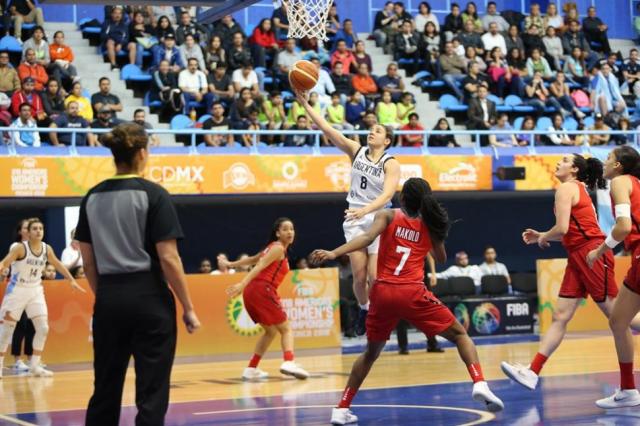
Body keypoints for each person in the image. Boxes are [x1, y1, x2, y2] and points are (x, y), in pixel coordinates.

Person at [311, 177, 504, 425]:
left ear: (403, 199)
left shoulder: (388, 215)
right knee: (460, 336)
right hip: (412, 292)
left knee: (370, 353)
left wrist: (334, 253)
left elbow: (367, 239)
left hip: (382, 292)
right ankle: (479, 382)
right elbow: (442, 257)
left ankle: (341, 408)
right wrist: (436, 232)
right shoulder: (428, 225)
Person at [76, 123, 201, 425]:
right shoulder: (154, 195)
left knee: (105, 386)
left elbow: (89, 263)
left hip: (108, 298)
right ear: (142, 154)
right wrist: (188, 307)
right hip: (149, 299)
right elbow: (169, 258)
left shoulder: (92, 196)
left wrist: (106, 296)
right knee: (152, 391)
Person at [501, 154, 640, 391]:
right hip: (578, 255)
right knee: (560, 316)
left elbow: (563, 228)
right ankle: (533, 372)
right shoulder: (577, 188)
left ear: (574, 169)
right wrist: (543, 235)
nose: (558, 162)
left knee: (619, 317)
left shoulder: (567, 187)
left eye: (564, 160)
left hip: (592, 255)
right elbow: (571, 232)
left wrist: (544, 236)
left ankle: (628, 387)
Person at [297, 88, 401, 337]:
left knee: (375, 277)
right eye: (371, 128)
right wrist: (306, 105)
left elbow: (388, 196)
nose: (371, 131)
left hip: (376, 217)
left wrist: (365, 209)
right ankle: (364, 310)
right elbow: (327, 128)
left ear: (386, 140)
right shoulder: (356, 150)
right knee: (359, 275)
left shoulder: (391, 162)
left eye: (377, 130)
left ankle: (378, 315)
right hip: (354, 219)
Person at [223, 218, 309, 381]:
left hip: (253, 292)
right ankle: (289, 362)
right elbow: (259, 265)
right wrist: (242, 282)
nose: (289, 232)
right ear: (277, 233)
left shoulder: (271, 248)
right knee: (286, 329)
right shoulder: (277, 248)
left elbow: (252, 259)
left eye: (291, 229)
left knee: (270, 331)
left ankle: (251, 369)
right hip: (263, 289)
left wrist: (230, 263)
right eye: (285, 229)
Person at [587, 146, 640, 408]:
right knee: (618, 321)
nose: (604, 162)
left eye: (608, 158)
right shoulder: (635, 183)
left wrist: (599, 250)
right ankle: (628, 389)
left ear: (618, 165)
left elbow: (624, 226)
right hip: (637, 258)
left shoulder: (620, 181)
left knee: (619, 322)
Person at [0, 218, 84, 379]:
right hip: (17, 290)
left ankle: (34, 366)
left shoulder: (47, 249)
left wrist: (72, 280)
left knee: (43, 328)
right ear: (28, 233)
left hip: (35, 290)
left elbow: (58, 264)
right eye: (35, 229)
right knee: (6, 330)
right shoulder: (20, 248)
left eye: (41, 228)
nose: (38, 231)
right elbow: (4, 263)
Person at [7, 219, 34, 372]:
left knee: (32, 325)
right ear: (20, 232)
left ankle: (31, 359)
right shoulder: (16, 247)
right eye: (26, 228)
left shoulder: (37, 247)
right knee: (20, 326)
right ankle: (17, 360)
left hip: (32, 290)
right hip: (18, 290)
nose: (29, 230)